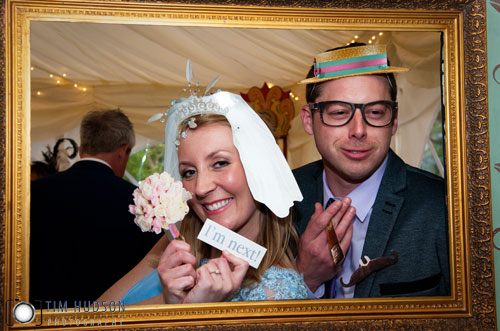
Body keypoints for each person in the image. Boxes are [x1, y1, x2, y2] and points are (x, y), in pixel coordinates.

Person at [98, 90, 308, 304]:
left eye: (220, 163)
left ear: (259, 170)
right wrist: (171, 302)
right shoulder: (177, 243)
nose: (200, 188)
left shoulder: (278, 295)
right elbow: (94, 317)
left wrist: (191, 311)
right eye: (189, 172)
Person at [294, 43, 450, 298]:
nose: (358, 130)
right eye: (339, 112)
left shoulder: (443, 207)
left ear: (394, 120)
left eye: (376, 112)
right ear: (309, 120)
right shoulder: (277, 202)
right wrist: (307, 278)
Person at [30, 109, 160, 304]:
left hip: (37, 316)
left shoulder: (32, 193)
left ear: (82, 148)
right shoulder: (141, 203)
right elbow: (151, 270)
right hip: (111, 319)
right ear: (123, 151)